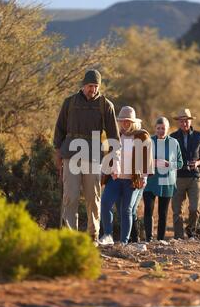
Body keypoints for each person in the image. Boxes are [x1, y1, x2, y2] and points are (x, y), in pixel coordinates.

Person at [53, 69, 120, 246]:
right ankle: (69, 237)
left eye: (96, 86)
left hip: (93, 157)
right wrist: (58, 154)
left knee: (93, 197)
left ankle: (93, 235)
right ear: (83, 85)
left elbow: (113, 136)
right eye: (90, 86)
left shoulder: (106, 105)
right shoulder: (69, 103)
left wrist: (114, 161)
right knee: (71, 196)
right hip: (71, 155)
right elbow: (59, 129)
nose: (93, 90)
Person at [100, 106, 154, 246]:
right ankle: (108, 235)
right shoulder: (116, 135)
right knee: (105, 204)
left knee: (127, 210)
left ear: (133, 121)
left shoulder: (142, 136)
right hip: (115, 178)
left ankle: (124, 241)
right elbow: (108, 156)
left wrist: (144, 177)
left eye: (128, 121)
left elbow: (147, 158)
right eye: (122, 120)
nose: (125, 123)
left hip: (132, 180)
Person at [170, 108, 200, 240]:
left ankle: (191, 231)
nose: (184, 123)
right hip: (177, 178)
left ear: (190, 121)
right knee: (177, 210)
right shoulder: (172, 137)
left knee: (195, 208)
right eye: (181, 121)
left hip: (195, 178)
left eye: (186, 121)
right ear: (178, 122)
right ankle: (178, 237)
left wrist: (199, 163)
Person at [143, 116, 183, 242]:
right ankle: (148, 238)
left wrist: (168, 164)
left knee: (163, 213)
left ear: (168, 129)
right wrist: (150, 163)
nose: (161, 130)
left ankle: (160, 239)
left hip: (167, 182)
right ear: (155, 129)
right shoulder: (149, 141)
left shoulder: (174, 143)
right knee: (148, 210)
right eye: (158, 128)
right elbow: (141, 160)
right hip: (150, 181)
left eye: (163, 128)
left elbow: (180, 163)